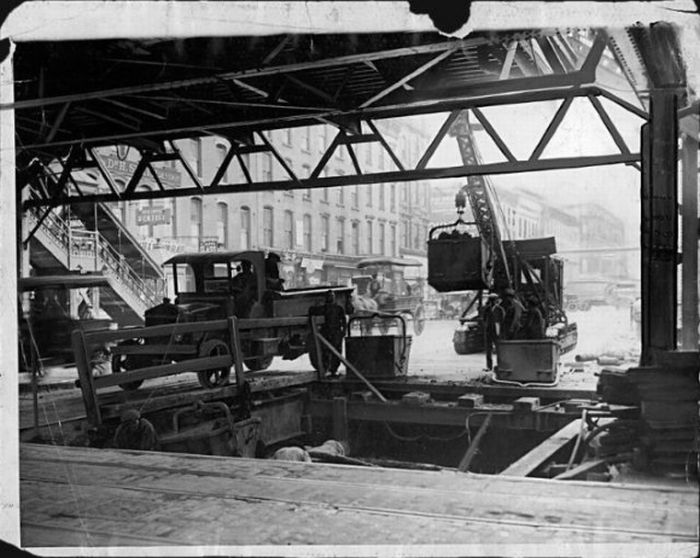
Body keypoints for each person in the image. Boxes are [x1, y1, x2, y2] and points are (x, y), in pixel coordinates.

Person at [316, 290, 347, 377]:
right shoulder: (323, 309)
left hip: (336, 332)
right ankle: (326, 369)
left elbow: (344, 320)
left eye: (332, 296)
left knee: (337, 351)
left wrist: (344, 331)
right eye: (329, 296)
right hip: (326, 332)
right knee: (326, 352)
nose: (331, 298)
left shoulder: (339, 308)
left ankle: (334, 369)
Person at [483, 293, 504, 370]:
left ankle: (500, 365)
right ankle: (489, 366)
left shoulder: (499, 309)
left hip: (496, 330)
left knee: (498, 349)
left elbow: (502, 320)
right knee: (488, 349)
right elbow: (484, 319)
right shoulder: (487, 309)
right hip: (489, 330)